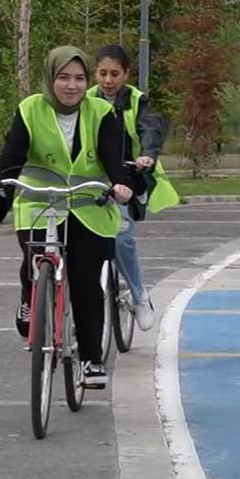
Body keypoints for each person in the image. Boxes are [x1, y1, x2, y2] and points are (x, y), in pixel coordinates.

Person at [0, 46, 142, 383]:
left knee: (84, 279)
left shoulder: (103, 112)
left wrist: (120, 185)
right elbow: (12, 159)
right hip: (40, 204)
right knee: (33, 258)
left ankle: (91, 360)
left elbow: (112, 160)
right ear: (50, 80)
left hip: (87, 210)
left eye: (79, 78)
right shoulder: (30, 110)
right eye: (63, 78)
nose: (72, 85)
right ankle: (29, 298)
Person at [89, 44, 180, 332]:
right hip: (95, 177)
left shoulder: (138, 101)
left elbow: (149, 129)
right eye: (102, 73)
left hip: (130, 176)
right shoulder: (85, 98)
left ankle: (140, 296)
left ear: (126, 74)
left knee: (121, 238)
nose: (108, 80)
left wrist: (148, 155)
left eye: (115, 74)